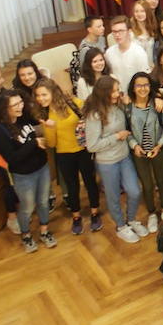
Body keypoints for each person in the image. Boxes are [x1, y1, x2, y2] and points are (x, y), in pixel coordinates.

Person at [0, 90, 57, 252]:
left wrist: (43, 122)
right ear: (4, 109)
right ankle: (26, 235)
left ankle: (44, 232)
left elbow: (36, 121)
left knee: (43, 202)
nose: (20, 106)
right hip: (24, 176)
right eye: (15, 105)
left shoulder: (22, 117)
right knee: (27, 207)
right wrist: (34, 143)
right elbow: (12, 158)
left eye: (20, 102)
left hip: (42, 167)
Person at [83, 76, 146, 243]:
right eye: (115, 90)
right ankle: (120, 226)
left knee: (134, 191)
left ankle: (131, 219)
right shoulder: (94, 115)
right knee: (113, 197)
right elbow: (92, 146)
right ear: (105, 93)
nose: (119, 93)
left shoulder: (117, 106)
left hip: (124, 156)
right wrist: (117, 136)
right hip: (107, 163)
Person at [35, 79, 101, 234]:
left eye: (44, 94)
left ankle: (95, 213)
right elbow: (51, 144)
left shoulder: (73, 103)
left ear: (53, 92)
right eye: (38, 96)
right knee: (71, 187)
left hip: (83, 150)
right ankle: (76, 217)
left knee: (90, 182)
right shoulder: (44, 113)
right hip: (63, 155)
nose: (40, 99)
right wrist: (49, 128)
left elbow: (90, 117)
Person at [126, 72, 163, 233]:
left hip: (158, 150)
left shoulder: (157, 104)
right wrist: (134, 146)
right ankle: (152, 213)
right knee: (147, 184)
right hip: (140, 153)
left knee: (162, 181)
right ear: (133, 87)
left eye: (146, 85)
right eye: (139, 85)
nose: (143, 88)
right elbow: (127, 131)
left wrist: (160, 145)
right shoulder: (128, 107)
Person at [104, 15, 150, 92]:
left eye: (121, 31)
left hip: (135, 94)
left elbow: (144, 78)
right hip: (116, 95)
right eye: (114, 32)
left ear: (129, 31)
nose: (117, 35)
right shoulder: (109, 52)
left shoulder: (138, 52)